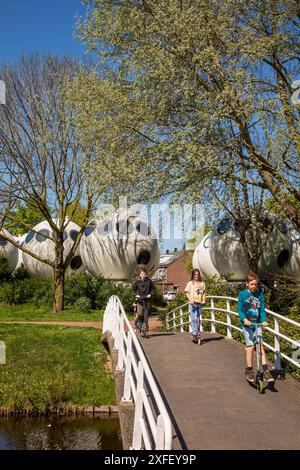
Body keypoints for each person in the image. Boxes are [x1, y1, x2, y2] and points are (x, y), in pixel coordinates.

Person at [238, 272, 274, 383]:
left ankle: (265, 371)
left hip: (257, 324)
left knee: (260, 346)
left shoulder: (260, 295)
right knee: (251, 346)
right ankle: (249, 370)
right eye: (252, 284)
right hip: (247, 325)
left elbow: (262, 310)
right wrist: (245, 319)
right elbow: (240, 310)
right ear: (247, 284)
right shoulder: (243, 294)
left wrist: (264, 320)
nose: (254, 286)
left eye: (256, 284)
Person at [132, 267, 155, 337]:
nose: (144, 275)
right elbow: (133, 290)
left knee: (146, 316)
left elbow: (153, 289)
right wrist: (136, 295)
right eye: (142, 274)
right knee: (139, 314)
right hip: (140, 300)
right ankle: (139, 324)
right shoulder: (137, 282)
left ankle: (143, 330)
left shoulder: (149, 281)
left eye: (145, 274)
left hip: (147, 300)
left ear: (146, 274)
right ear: (140, 274)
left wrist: (150, 294)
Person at [185, 269, 206, 344]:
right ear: (193, 275)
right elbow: (187, 292)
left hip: (199, 303)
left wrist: (203, 300)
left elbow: (203, 293)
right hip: (192, 303)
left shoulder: (202, 283)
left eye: (198, 274)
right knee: (193, 319)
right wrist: (191, 300)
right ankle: (195, 334)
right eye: (195, 274)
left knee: (197, 319)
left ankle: (196, 334)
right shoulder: (190, 283)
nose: (197, 276)